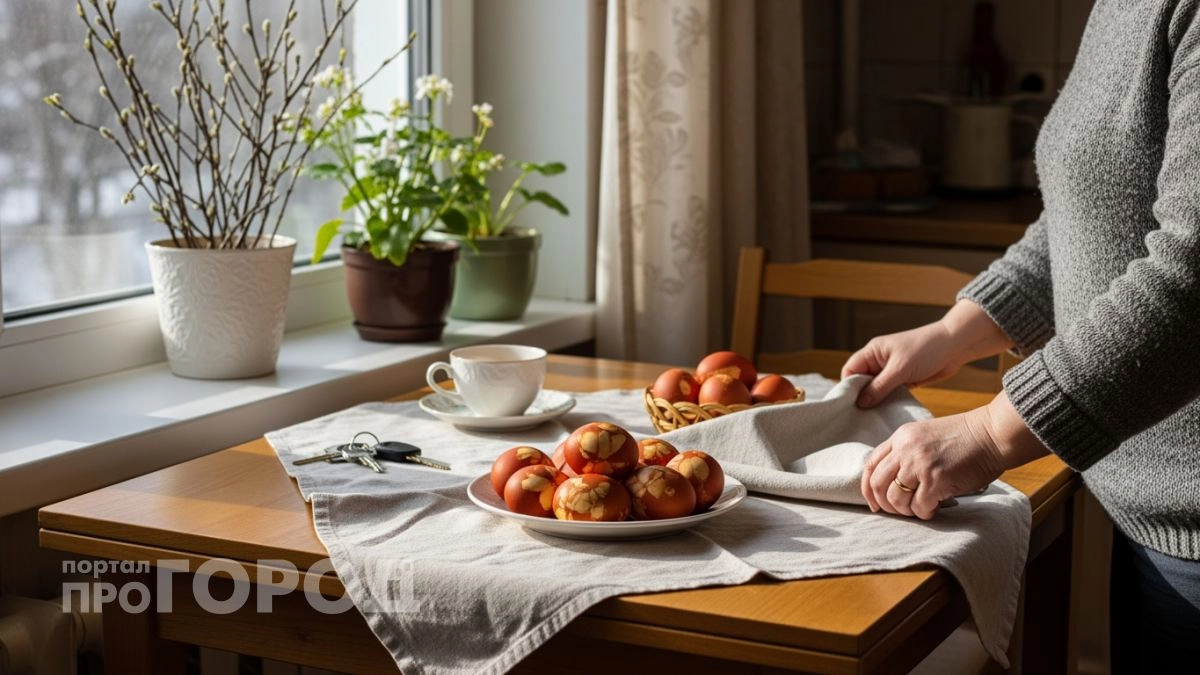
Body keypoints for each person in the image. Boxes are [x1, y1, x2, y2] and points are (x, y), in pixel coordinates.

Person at [841, 0, 1200, 670]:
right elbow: (1095, 217)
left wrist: (986, 435)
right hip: (1156, 521)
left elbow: (1192, 276)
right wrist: (956, 330)